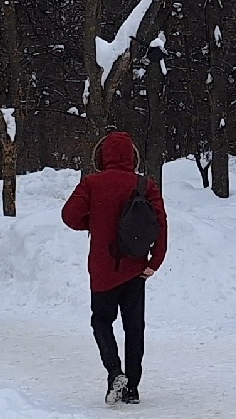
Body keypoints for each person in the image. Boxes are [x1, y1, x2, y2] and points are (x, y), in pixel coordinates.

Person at [59, 129, 167, 404]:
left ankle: (114, 372)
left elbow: (69, 216)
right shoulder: (145, 185)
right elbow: (160, 226)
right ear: (133, 156)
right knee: (134, 327)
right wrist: (155, 262)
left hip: (103, 268)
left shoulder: (92, 184)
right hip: (135, 268)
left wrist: (94, 222)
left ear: (101, 156)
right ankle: (132, 388)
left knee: (101, 321)